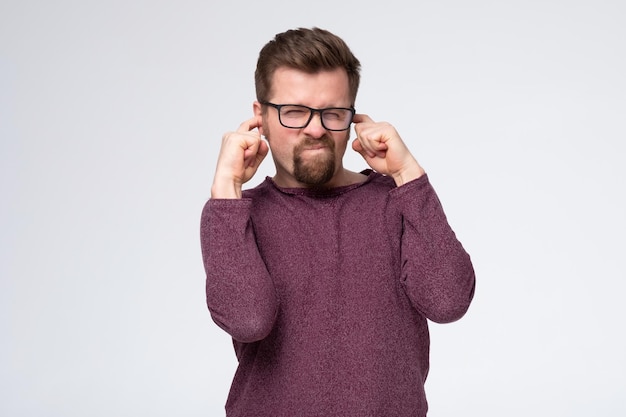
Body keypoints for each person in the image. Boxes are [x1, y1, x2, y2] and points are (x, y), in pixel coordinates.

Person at [200, 27, 475, 417]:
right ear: (259, 116)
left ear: (353, 116)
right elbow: (247, 319)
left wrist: (409, 174)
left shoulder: (396, 201)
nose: (316, 129)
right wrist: (226, 187)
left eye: (333, 113)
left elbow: (448, 301)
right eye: (294, 111)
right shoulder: (235, 213)